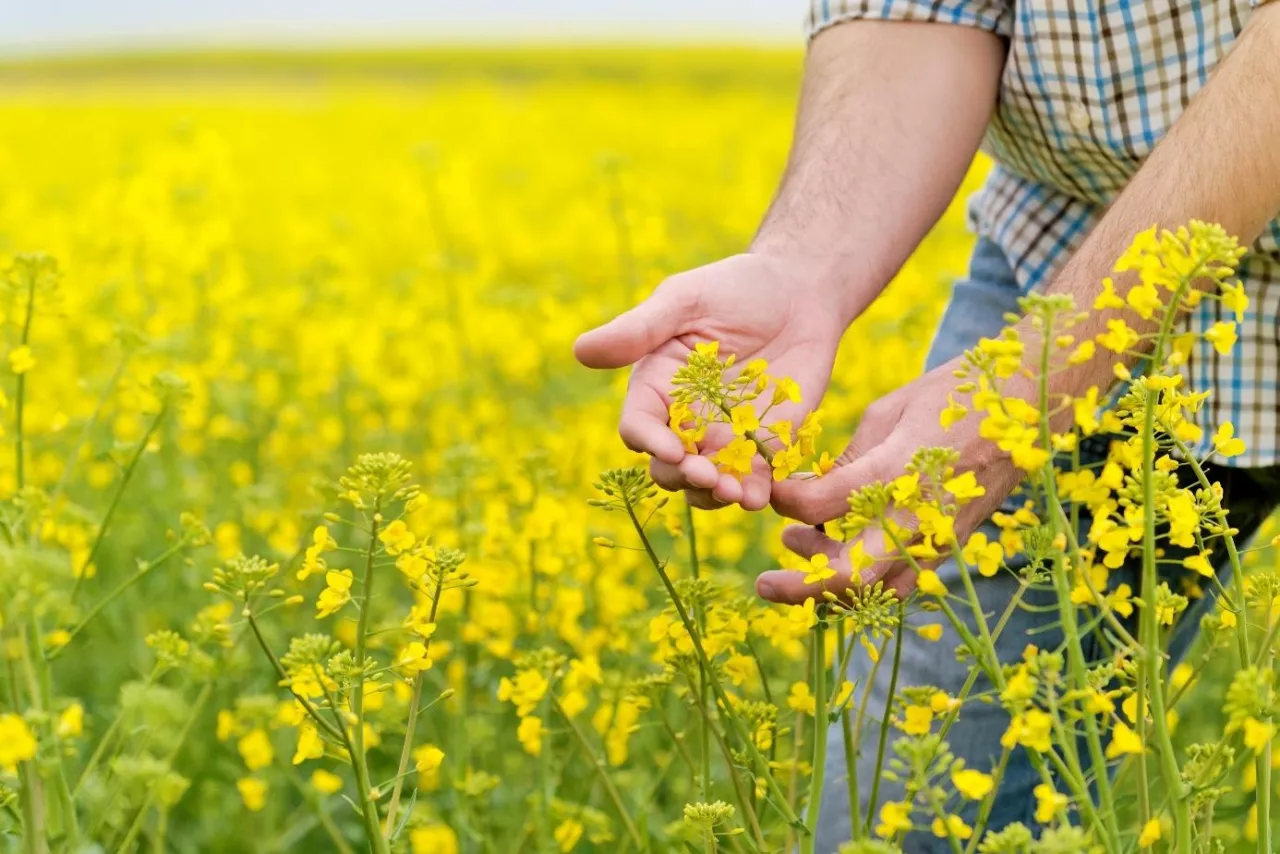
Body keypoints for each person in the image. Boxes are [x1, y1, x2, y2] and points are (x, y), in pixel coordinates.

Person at [575, 1, 1280, 850]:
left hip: (1073, 318)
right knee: (901, 820)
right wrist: (802, 269)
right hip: (1071, 251)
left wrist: (1033, 383)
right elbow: (923, 11)